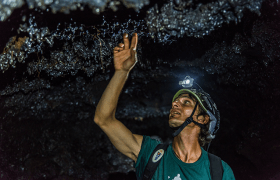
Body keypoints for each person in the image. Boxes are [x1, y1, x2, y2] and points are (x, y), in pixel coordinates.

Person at [94, 33, 235, 180]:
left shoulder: (219, 171)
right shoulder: (150, 153)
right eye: (176, 101)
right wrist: (121, 72)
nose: (174, 103)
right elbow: (103, 119)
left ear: (203, 118)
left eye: (186, 102)